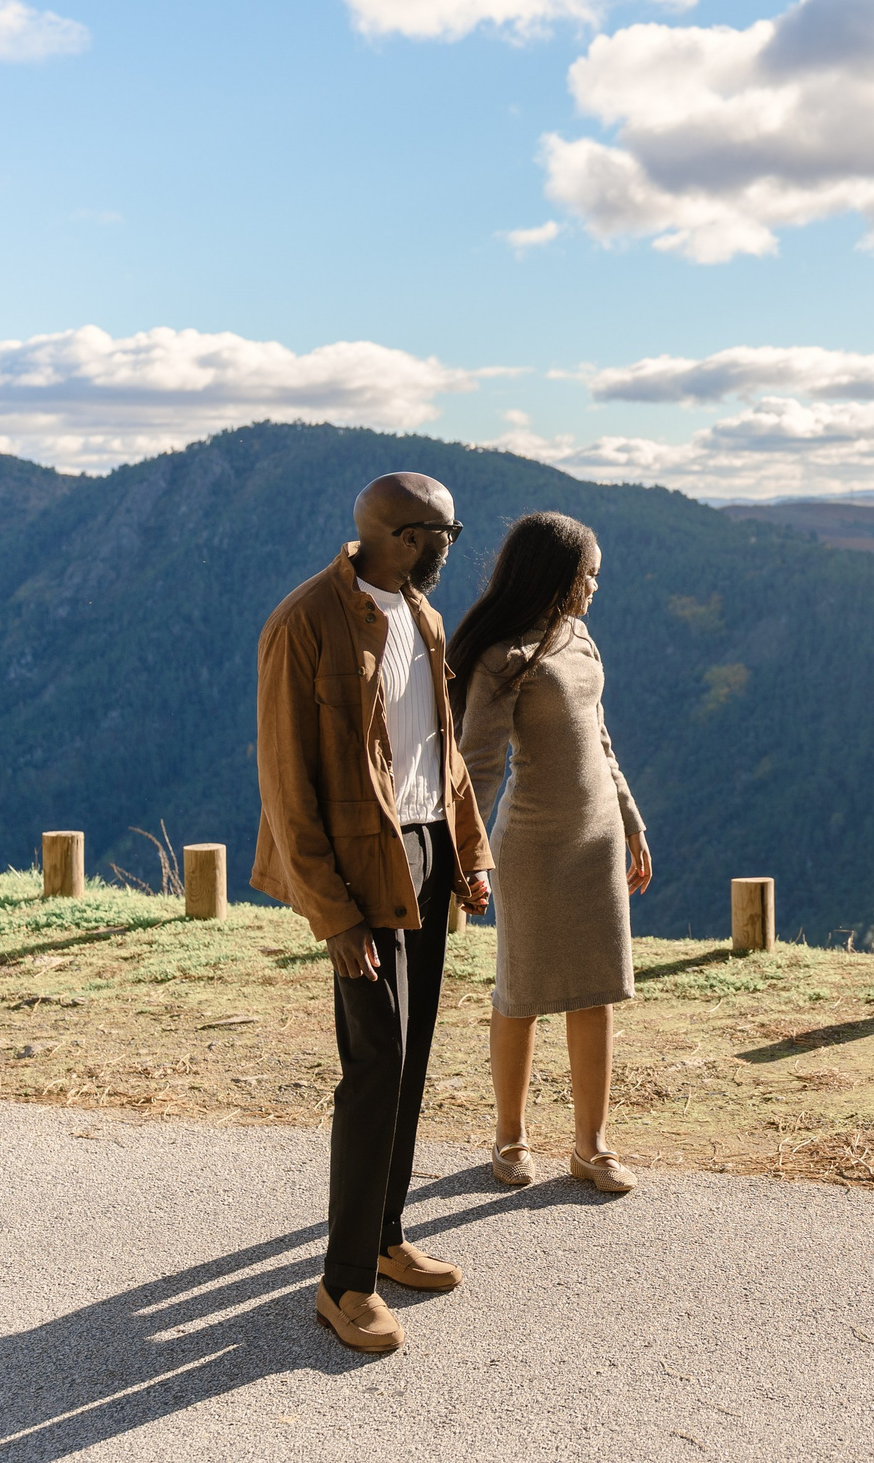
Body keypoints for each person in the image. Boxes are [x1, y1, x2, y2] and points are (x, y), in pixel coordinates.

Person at [252, 471, 495, 1356]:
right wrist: (335, 914)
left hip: (425, 856)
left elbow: (445, 752)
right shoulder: (305, 622)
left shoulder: (423, 620)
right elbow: (287, 786)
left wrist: (468, 854)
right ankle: (344, 1280)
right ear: (401, 535)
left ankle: (387, 1239)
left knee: (412, 1055)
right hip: (356, 873)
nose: (451, 546)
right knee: (374, 1066)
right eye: (446, 532)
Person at [448, 511, 653, 1194]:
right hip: (531, 847)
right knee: (522, 993)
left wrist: (629, 819)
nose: (595, 587)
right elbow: (475, 766)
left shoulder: (580, 638)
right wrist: (468, 856)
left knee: (596, 992)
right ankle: (510, 1137)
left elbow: (600, 739)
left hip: (596, 844)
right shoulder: (502, 656)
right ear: (559, 577)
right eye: (588, 575)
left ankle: (590, 1146)